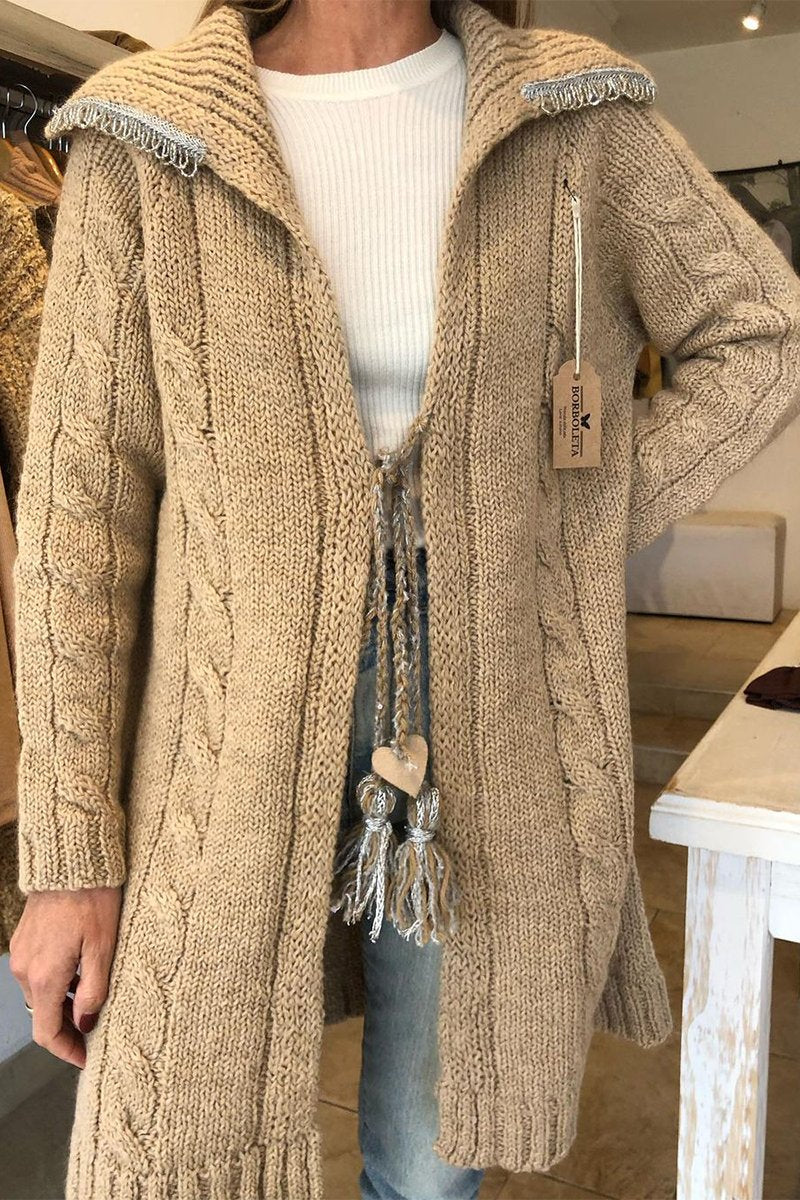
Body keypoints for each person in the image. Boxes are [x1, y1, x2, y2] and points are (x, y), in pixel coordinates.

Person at [8, 1, 800, 1198]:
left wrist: (562, 524)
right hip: (226, 714)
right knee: (178, 1143)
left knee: (427, 1160)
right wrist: (70, 858)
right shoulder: (146, 135)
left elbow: (760, 333)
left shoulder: (570, 114)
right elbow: (79, 513)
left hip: (490, 698)